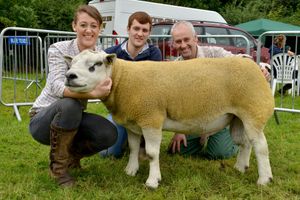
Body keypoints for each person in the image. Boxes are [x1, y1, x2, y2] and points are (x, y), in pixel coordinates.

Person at [28, 5, 117, 187]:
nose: (88, 30)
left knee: (108, 133)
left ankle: (70, 158)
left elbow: (115, 74)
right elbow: (56, 87)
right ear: (74, 26)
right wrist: (93, 93)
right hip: (43, 118)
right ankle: (58, 170)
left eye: (94, 25)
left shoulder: (100, 56)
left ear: (100, 29)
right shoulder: (58, 49)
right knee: (70, 103)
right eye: (83, 24)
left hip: (73, 117)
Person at [168, 21, 271, 159]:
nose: (183, 45)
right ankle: (198, 137)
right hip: (194, 120)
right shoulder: (175, 68)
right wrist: (178, 131)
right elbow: (177, 103)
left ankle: (240, 139)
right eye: (178, 41)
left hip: (220, 117)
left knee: (218, 153)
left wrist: (257, 68)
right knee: (180, 152)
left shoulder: (214, 53)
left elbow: (238, 60)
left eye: (186, 39)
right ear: (173, 44)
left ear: (195, 38)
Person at [99, 11, 162, 158]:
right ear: (128, 29)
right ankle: (124, 139)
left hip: (146, 112)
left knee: (145, 151)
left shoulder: (155, 54)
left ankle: (141, 142)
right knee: (107, 153)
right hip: (120, 112)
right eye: (136, 28)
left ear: (149, 33)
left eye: (144, 30)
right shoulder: (110, 54)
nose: (140, 34)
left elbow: (154, 88)